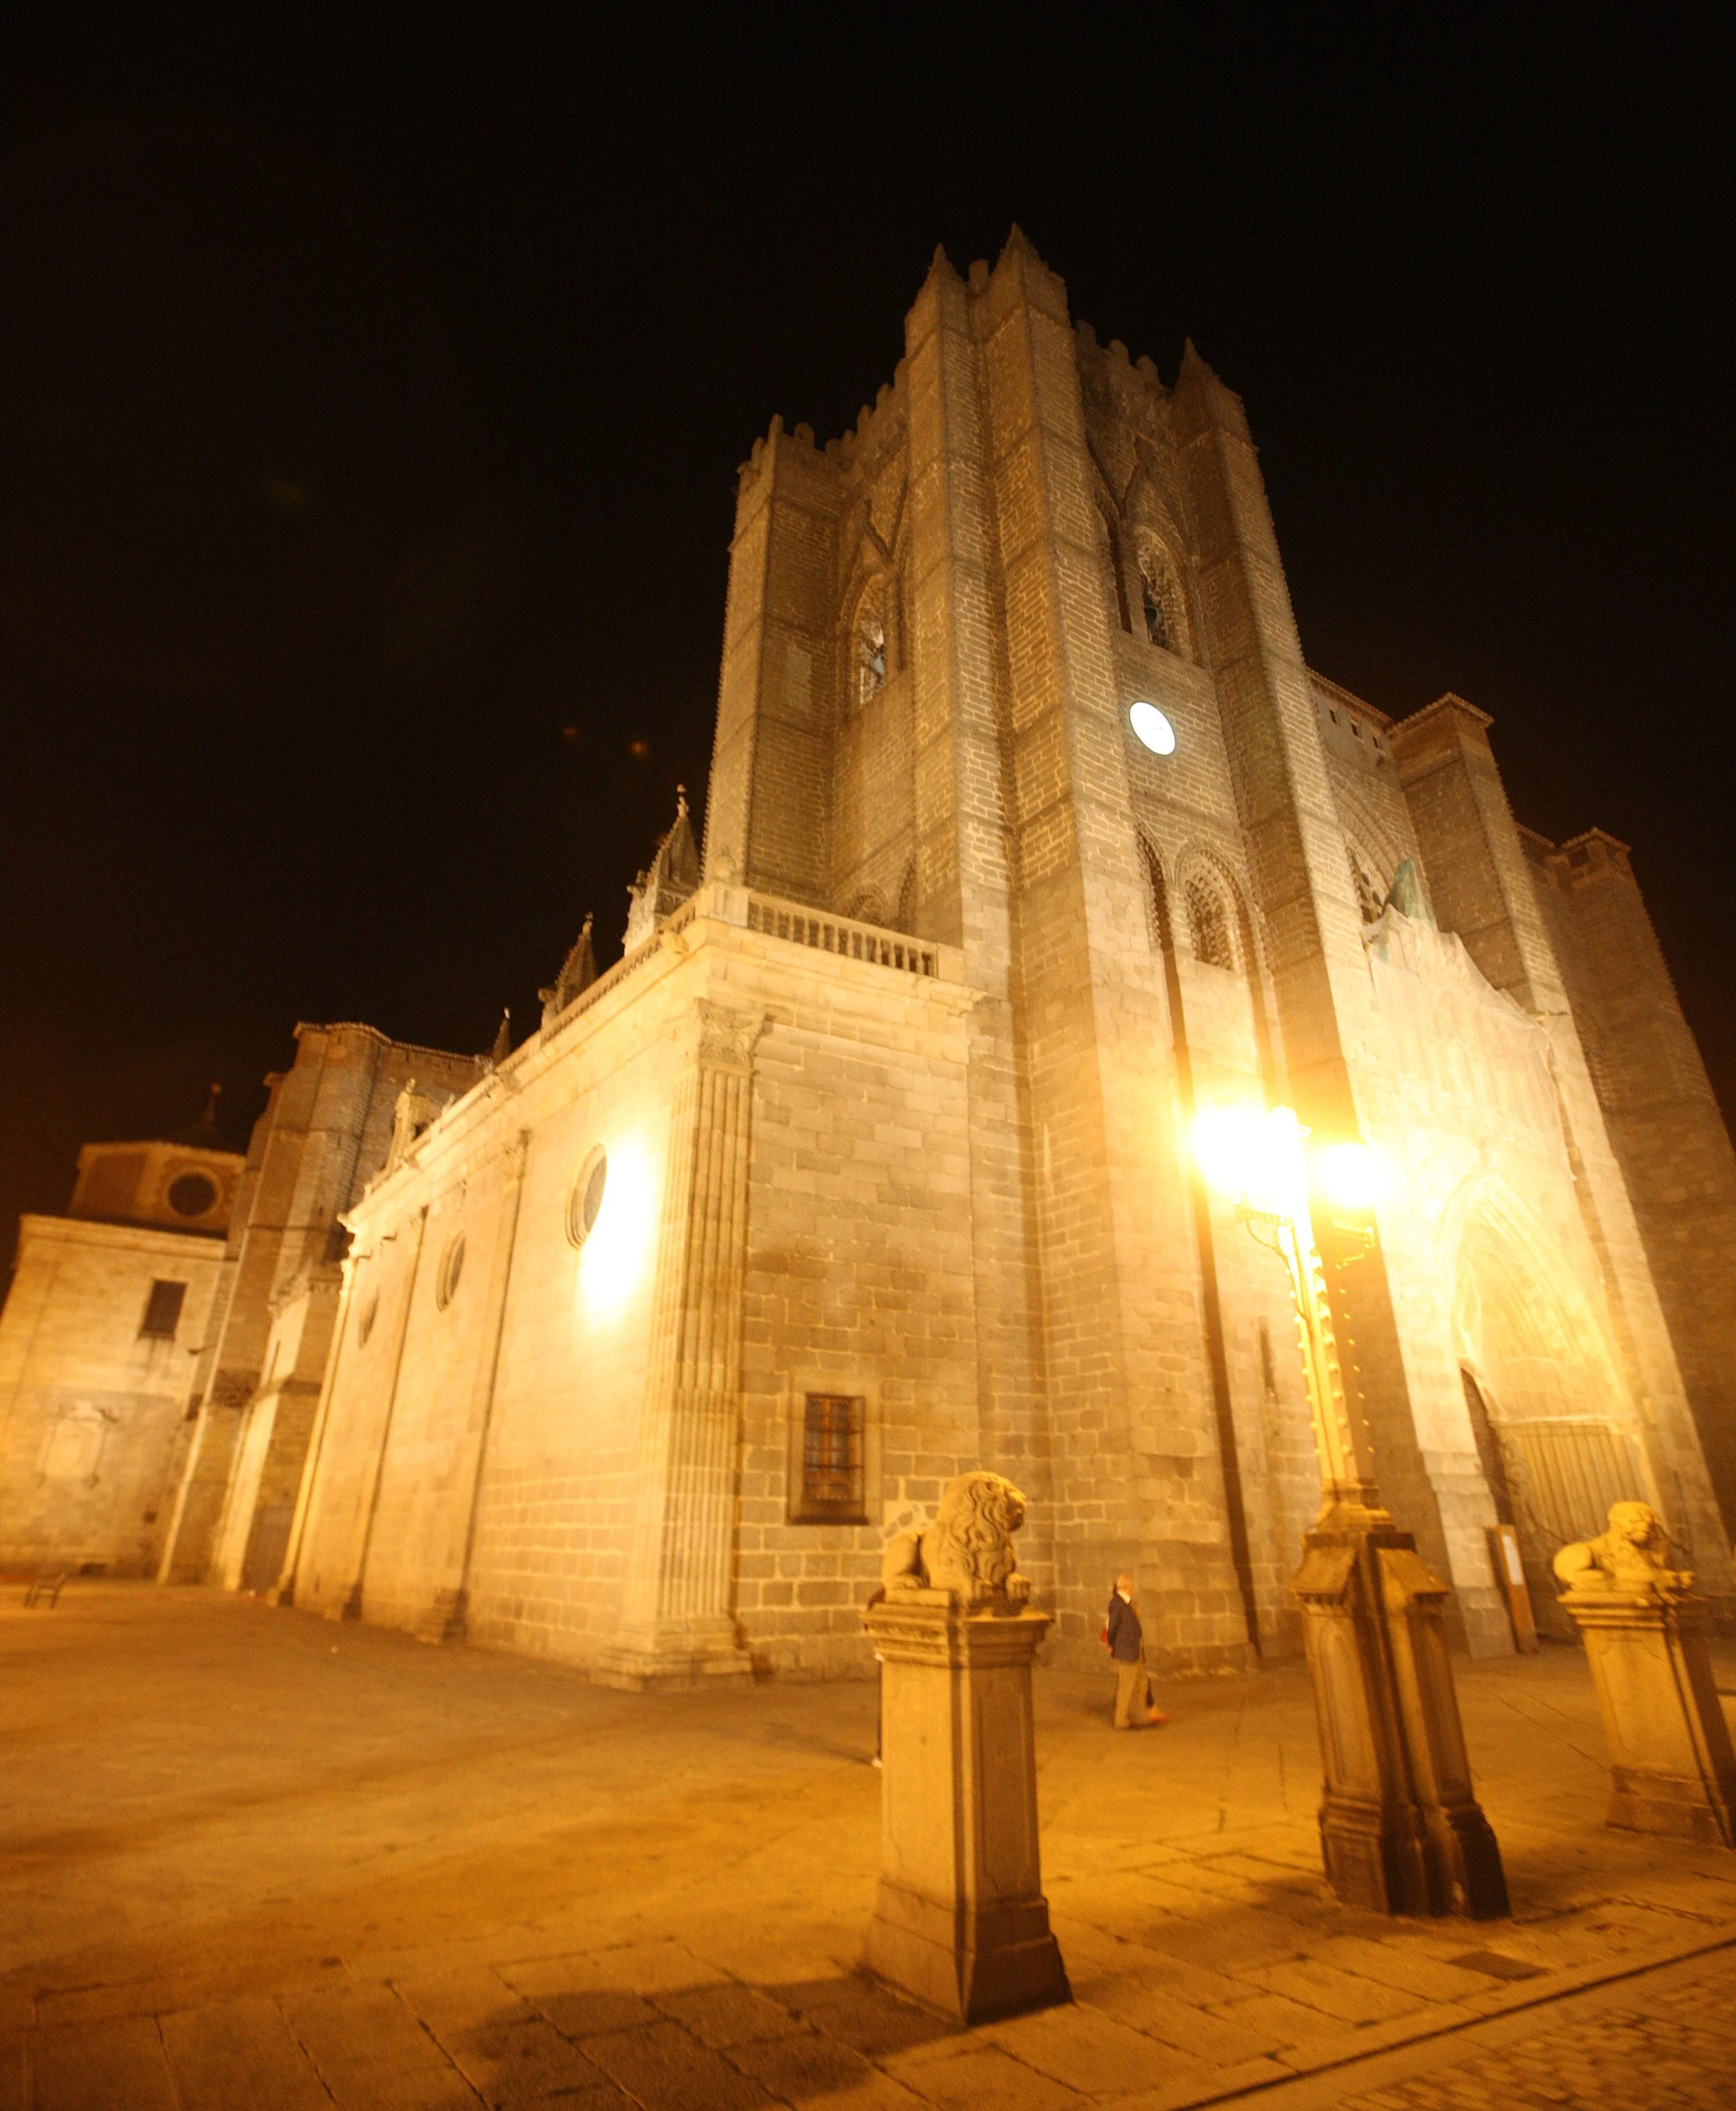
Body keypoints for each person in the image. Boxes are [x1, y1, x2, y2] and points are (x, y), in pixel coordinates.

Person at [1103, 1572, 1169, 1730]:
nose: (1132, 1590)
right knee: (1126, 1686)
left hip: (1134, 1649)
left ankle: (1142, 1715)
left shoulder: (1126, 1603)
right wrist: (1111, 1644)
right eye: (1131, 1587)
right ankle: (1120, 1721)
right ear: (1127, 1587)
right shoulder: (1118, 1603)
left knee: (1142, 1681)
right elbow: (1112, 1628)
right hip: (1126, 1649)